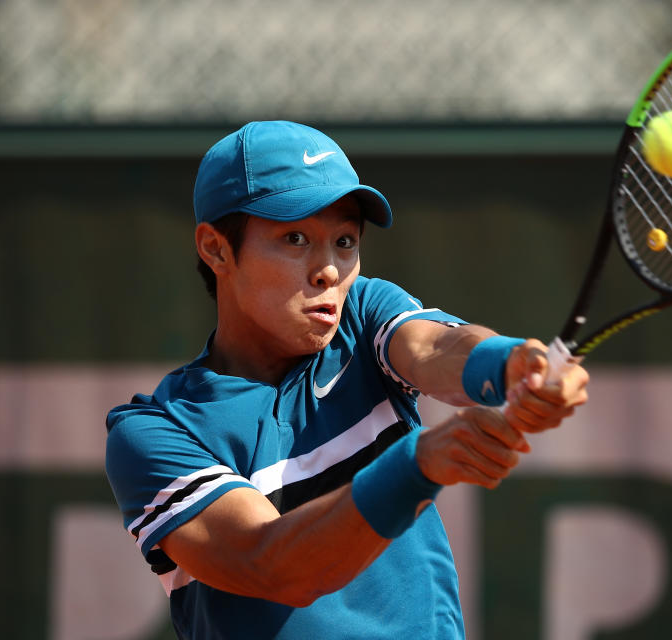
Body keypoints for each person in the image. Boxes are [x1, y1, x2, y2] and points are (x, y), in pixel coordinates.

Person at [105, 120, 589, 639]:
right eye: (295, 238)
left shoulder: (361, 318)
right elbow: (270, 563)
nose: (329, 270)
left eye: (344, 241)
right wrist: (416, 464)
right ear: (217, 249)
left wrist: (509, 365)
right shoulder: (156, 431)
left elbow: (436, 346)